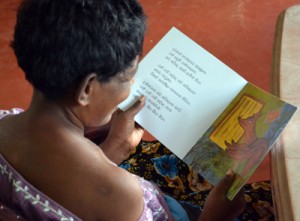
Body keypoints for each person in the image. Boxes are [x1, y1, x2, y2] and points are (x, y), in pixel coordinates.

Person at [0, 0, 246, 220]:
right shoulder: (119, 195)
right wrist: (215, 216)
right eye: (128, 77)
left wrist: (113, 148)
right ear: (87, 89)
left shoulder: (4, 124)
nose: (131, 86)